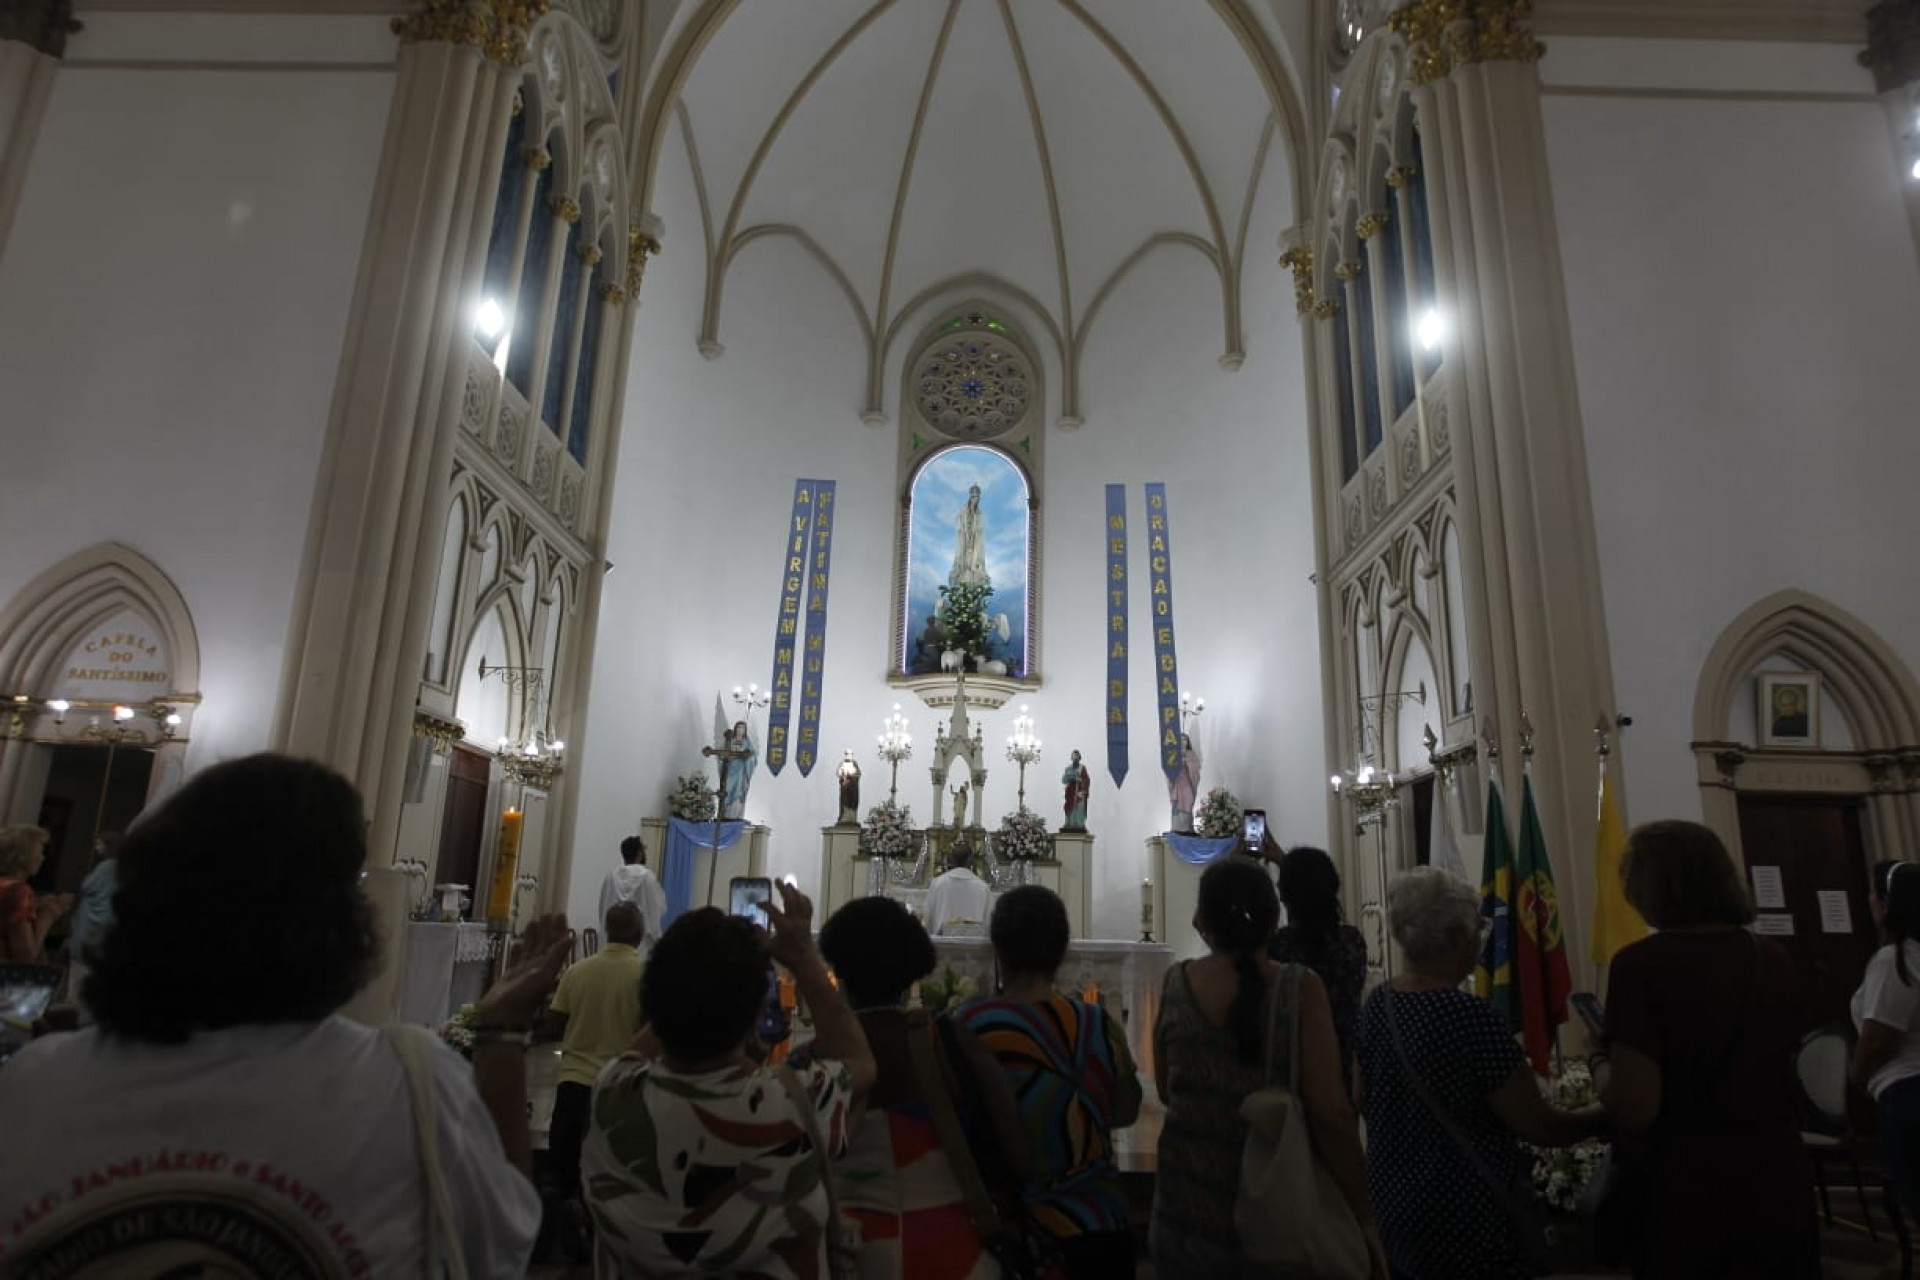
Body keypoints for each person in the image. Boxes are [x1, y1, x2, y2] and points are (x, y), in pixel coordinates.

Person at [0, 753, 567, 1276]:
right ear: (334, 919)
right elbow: (501, 1245)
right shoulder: (405, 1084)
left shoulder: (32, 1085)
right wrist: (500, 1034)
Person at [582, 883, 877, 1276]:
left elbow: (647, 1036)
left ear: (652, 1000)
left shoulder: (612, 1090)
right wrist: (804, 959)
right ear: (754, 1013)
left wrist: (692, 975)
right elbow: (859, 1059)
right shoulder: (793, 1103)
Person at [1356, 867, 1606, 1280]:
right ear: (1457, 935)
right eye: (1480, 927)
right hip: (1467, 1219)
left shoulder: (1377, 1005)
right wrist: (1607, 1116)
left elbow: (1362, 1098)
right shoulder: (1469, 1017)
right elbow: (1539, 1124)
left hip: (1395, 1210)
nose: (1482, 938)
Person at [1595, 820, 1817, 1279]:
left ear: (1653, 883)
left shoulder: (1641, 965)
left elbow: (1636, 1106)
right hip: (1775, 1169)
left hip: (1689, 1182)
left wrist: (1599, 1064)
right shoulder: (1771, 957)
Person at [1153, 859, 1385, 1280]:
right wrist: (1364, 1215)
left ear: (1202, 920)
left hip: (1186, 1205)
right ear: (1273, 917)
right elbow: (1331, 1115)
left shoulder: (1175, 983)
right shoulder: (1299, 988)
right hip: (1275, 1209)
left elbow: (1168, 1090)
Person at [814, 895, 1027, 1278]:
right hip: (951, 1250)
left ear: (839, 973)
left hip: (844, 1253)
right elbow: (1012, 1140)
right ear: (912, 971)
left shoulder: (815, 1058)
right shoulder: (949, 1041)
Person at [955, 886, 1143, 1278]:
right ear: (1062, 951)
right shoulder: (1096, 1022)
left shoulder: (969, 1025)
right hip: (1099, 1223)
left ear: (998, 950)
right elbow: (1126, 1110)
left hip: (1008, 1230)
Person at [542, 900, 647, 1256]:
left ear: (607, 930)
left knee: (562, 1161)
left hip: (573, 1081)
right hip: (619, 1086)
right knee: (607, 1167)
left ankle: (551, 1218)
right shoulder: (645, 975)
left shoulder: (578, 972)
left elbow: (554, 1026)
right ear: (640, 934)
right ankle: (588, 1226)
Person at [1269, 845, 1369, 1096]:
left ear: (1284, 896)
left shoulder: (1277, 947)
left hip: (1292, 1071)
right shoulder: (1351, 942)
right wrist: (1285, 861)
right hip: (1341, 1064)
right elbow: (1311, 884)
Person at [1853, 860, 1920, 1226]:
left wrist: (1856, 1077)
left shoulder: (1894, 959)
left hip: (1907, 1091)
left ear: (1886, 902)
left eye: (1871, 892)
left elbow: (1879, 1038)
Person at [67, 830, 122, 1019]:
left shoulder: (107, 866)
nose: (96, 847)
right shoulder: (117, 867)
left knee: (79, 977)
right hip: (103, 917)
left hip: (92, 922)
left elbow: (87, 886)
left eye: (99, 844)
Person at [0, 825, 71, 963]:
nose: (42, 858)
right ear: (23, 856)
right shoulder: (18, 891)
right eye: (39, 852)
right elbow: (26, 958)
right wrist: (49, 914)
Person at [598, 834, 666, 952]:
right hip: (639, 946)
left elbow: (602, 909)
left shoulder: (611, 877)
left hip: (612, 943)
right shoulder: (647, 877)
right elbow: (655, 910)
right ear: (639, 853)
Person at [923, 841, 990, 937]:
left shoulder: (937, 884)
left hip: (943, 942)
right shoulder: (983, 887)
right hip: (974, 943)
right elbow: (988, 921)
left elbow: (928, 917)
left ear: (951, 859)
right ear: (971, 860)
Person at [712, 718, 758, 819]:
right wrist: (728, 755)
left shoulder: (747, 743)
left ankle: (735, 815)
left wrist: (745, 755)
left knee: (738, 792)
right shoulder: (729, 741)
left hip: (741, 772)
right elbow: (721, 753)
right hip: (730, 770)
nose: (740, 730)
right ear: (735, 728)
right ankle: (724, 814)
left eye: (742, 728)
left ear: (745, 730)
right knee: (727, 789)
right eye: (739, 727)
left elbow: (753, 758)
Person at [949, 483, 989, 590]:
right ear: (970, 497)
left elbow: (980, 527)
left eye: (977, 497)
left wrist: (975, 530)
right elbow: (959, 521)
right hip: (964, 539)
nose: (975, 499)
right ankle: (963, 578)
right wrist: (965, 528)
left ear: (979, 498)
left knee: (975, 559)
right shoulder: (963, 510)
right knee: (963, 558)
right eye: (973, 496)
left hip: (975, 540)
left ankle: (973, 577)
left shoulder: (979, 513)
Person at [1168, 734, 1201, 834]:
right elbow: (1169, 769)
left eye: (1185, 740)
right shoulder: (1174, 754)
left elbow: (1195, 769)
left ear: (1188, 742)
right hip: (1177, 784)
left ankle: (1186, 827)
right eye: (1181, 740)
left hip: (1186, 783)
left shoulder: (1190, 754)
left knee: (1187, 804)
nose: (1183, 742)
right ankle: (1177, 827)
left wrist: (1187, 761)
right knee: (1176, 806)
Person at [1062, 750, 1090, 830]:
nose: (1075, 758)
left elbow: (1087, 780)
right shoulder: (1068, 769)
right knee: (1069, 808)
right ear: (1071, 757)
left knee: (1079, 808)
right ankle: (1069, 823)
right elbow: (1063, 780)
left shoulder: (1082, 768)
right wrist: (1073, 778)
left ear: (1079, 757)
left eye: (1077, 756)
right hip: (1070, 793)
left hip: (1079, 793)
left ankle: (1079, 825)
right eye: (1074, 756)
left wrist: (1083, 789)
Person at [836, 749, 862, 825]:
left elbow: (858, 774)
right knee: (844, 801)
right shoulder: (842, 763)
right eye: (847, 754)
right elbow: (838, 773)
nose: (849, 756)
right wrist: (844, 775)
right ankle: (844, 817)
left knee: (853, 801)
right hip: (845, 787)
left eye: (851, 754)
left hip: (853, 788)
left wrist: (851, 775)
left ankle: (852, 818)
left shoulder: (854, 763)